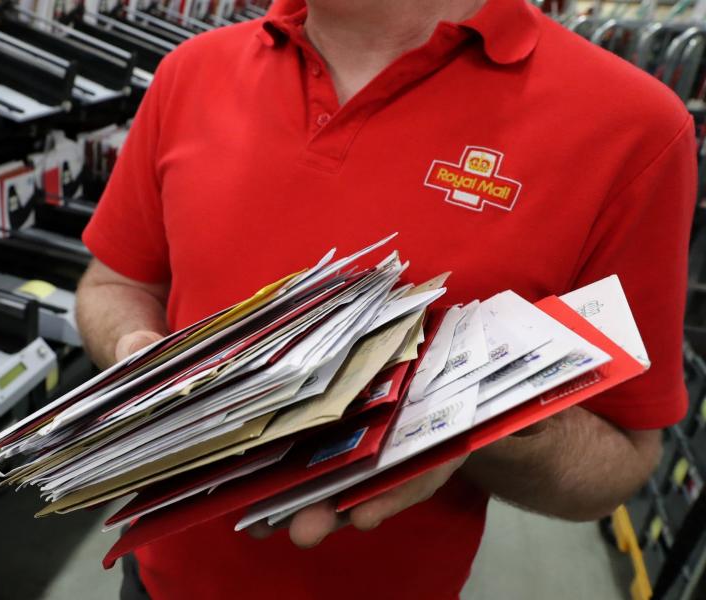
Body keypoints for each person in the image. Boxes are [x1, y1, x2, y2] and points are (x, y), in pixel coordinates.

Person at [76, 0, 697, 598]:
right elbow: (114, 285)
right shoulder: (191, 70)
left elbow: (619, 456)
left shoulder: (631, 127)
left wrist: (473, 421)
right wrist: (137, 356)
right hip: (158, 579)